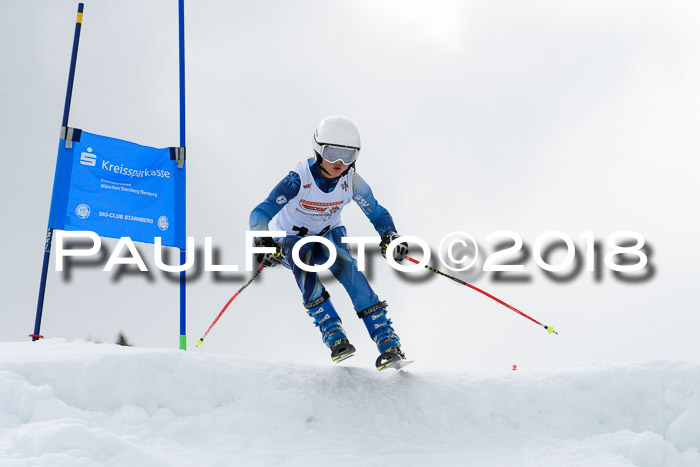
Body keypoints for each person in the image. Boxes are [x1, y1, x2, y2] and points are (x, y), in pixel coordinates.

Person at [249, 116, 409, 370]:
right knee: (301, 259)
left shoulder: (352, 181)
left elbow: (377, 213)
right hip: (292, 239)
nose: (338, 162)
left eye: (347, 156)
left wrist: (390, 236)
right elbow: (260, 212)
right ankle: (334, 335)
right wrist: (263, 241)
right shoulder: (298, 179)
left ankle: (388, 342)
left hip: (327, 235)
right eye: (332, 152)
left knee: (350, 271)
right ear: (318, 150)